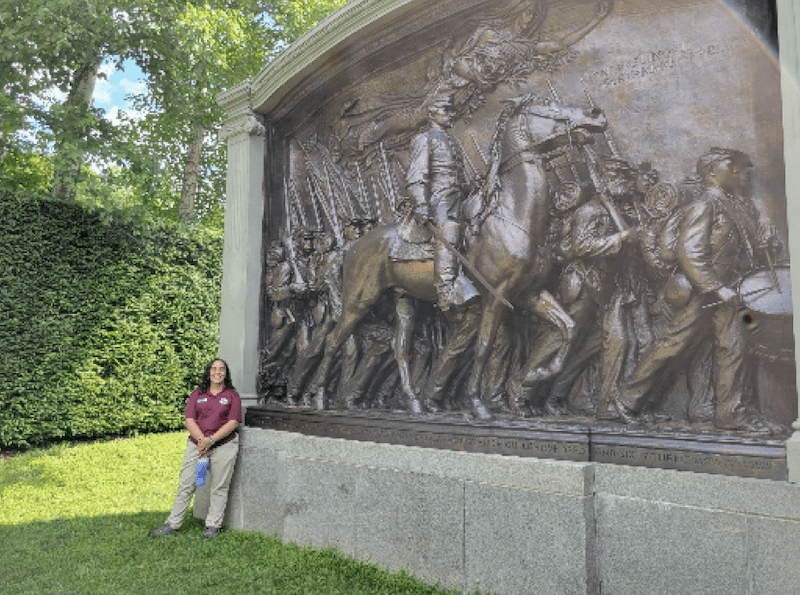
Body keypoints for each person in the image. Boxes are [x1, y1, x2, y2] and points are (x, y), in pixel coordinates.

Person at [616, 148, 778, 432]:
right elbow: (689, 252)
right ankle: (625, 399)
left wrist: (763, 244)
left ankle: (732, 412)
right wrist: (717, 288)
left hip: (731, 295)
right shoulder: (705, 205)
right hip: (704, 294)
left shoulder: (734, 205)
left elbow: (740, 251)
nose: (739, 174)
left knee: (735, 344)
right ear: (712, 172)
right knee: (672, 345)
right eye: (733, 168)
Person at [149, 358, 242, 539]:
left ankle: (212, 526)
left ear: (226, 373)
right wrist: (202, 441)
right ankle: (172, 523)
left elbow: (233, 422)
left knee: (219, 487)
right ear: (208, 372)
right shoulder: (197, 394)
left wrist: (211, 439)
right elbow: (189, 420)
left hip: (223, 445)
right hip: (197, 446)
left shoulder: (232, 396)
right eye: (214, 369)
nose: (217, 372)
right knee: (187, 484)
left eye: (221, 369)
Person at [404, 94, 469, 311]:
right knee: (449, 229)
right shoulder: (424, 140)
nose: (451, 114)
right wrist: (422, 205)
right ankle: (446, 290)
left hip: (458, 194)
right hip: (439, 198)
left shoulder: (452, 141)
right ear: (431, 113)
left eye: (452, 110)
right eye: (446, 110)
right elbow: (415, 178)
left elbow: (460, 174)